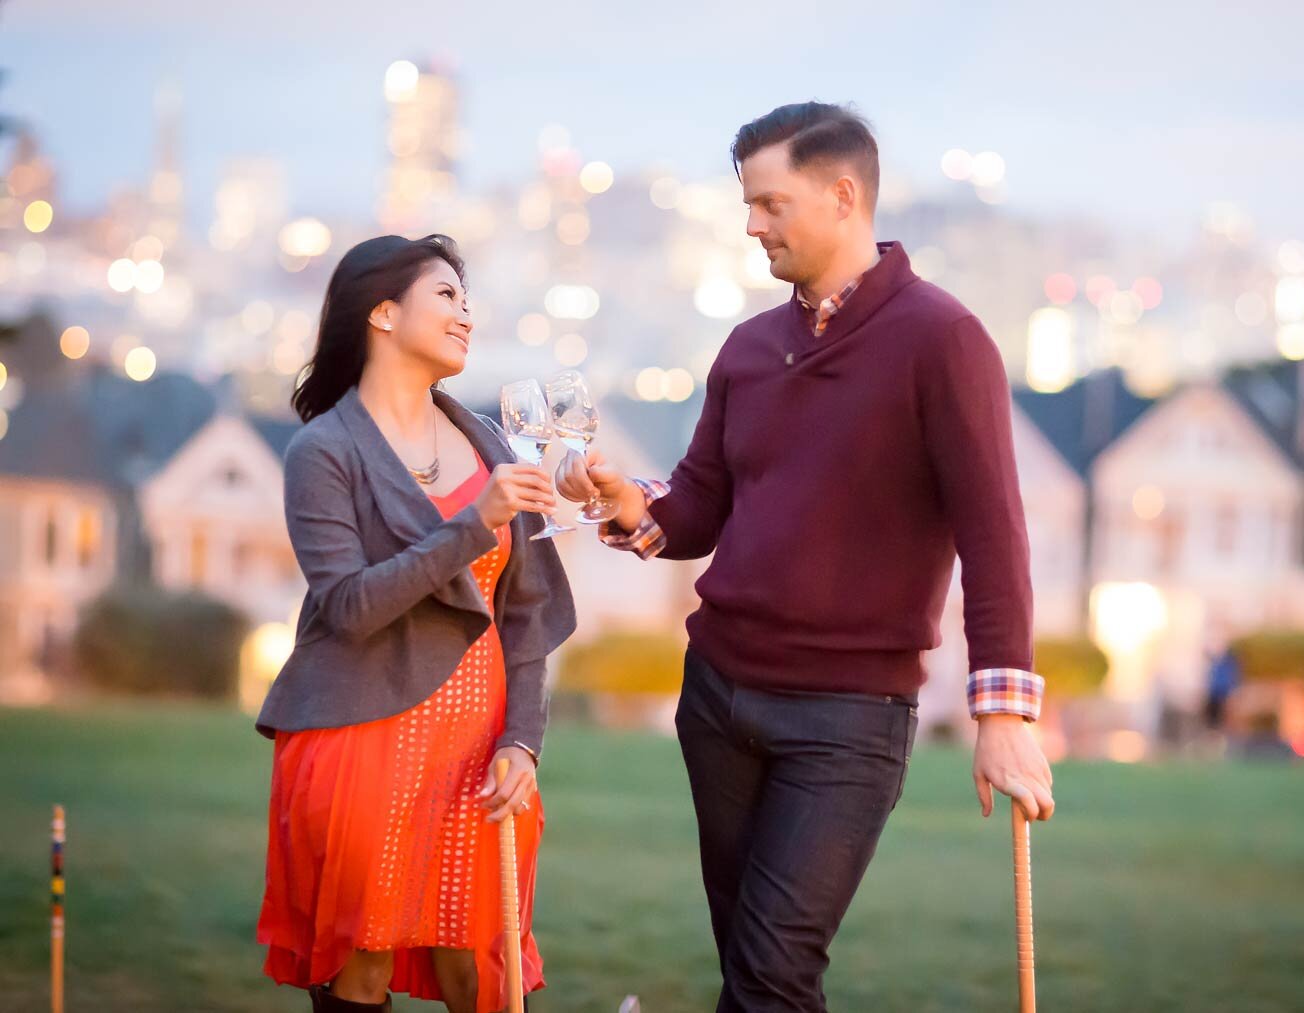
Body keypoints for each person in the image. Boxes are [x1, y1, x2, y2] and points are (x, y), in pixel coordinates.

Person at [557, 102, 1055, 1012]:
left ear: (842, 194)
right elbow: (702, 502)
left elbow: (995, 533)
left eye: (770, 203)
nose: (751, 225)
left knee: (773, 969)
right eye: (747, 204)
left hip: (847, 720)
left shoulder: (944, 341)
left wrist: (1005, 710)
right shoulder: (748, 348)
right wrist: (638, 505)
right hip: (716, 699)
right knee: (757, 973)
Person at [255, 234, 576, 1013]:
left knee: (478, 970)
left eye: (469, 301)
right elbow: (351, 606)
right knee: (360, 967)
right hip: (361, 736)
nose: (466, 314)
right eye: (446, 296)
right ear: (384, 313)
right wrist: (475, 520)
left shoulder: (487, 443)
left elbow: (527, 613)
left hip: (480, 747)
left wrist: (522, 738)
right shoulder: (322, 451)